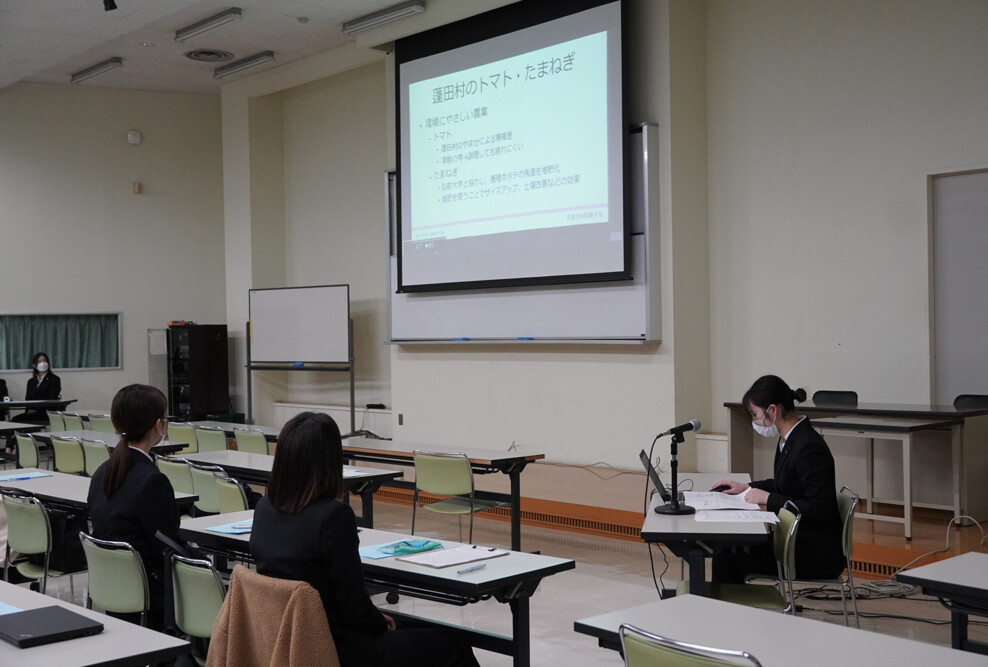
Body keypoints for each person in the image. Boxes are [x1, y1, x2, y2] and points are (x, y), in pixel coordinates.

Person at [250, 412, 480, 667]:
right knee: (454, 642)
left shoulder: (263, 508)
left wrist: (376, 619)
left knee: (418, 630)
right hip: (337, 648)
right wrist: (380, 621)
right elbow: (353, 606)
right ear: (330, 461)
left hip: (284, 639)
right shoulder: (333, 517)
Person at [711, 374, 844, 584]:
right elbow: (785, 484)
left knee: (726, 558)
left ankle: (733, 614)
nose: (754, 421)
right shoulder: (789, 439)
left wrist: (768, 498)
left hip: (814, 552)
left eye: (755, 414)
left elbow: (820, 509)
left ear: (773, 410)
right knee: (728, 552)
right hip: (796, 540)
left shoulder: (808, 447)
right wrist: (746, 488)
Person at [87, 384, 186, 631]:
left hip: (113, 588)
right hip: (150, 596)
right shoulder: (152, 480)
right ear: (158, 425)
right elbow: (167, 547)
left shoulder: (102, 471)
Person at [11, 352, 62, 424]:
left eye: (44, 361)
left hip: (46, 412)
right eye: (39, 361)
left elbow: (51, 398)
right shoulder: (31, 381)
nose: (43, 363)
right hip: (31, 412)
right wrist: (28, 410)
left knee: (20, 421)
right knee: (15, 420)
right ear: (34, 365)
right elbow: (28, 399)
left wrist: (37, 410)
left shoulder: (54, 379)